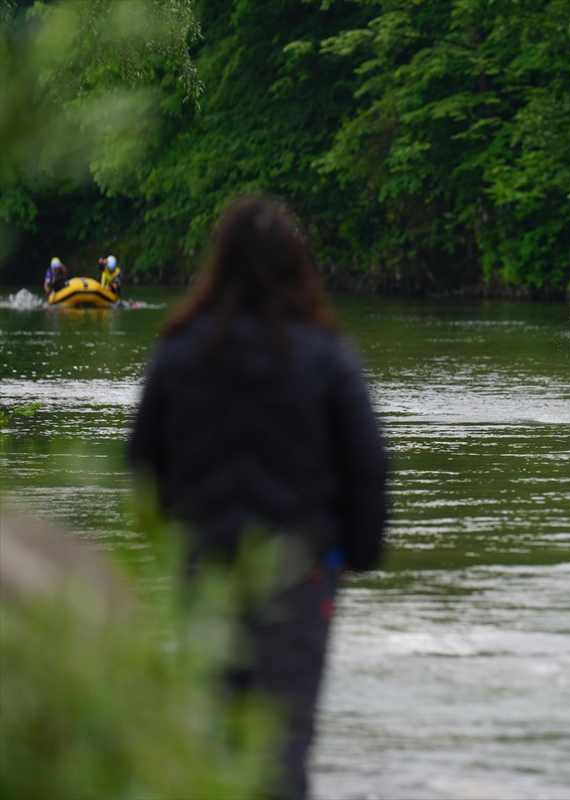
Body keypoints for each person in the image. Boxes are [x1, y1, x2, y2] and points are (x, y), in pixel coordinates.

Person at [127, 196, 388, 800]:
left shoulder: (179, 351)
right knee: (285, 745)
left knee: (213, 737)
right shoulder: (327, 356)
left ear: (216, 263)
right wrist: (356, 555)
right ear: (296, 263)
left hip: (205, 570)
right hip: (300, 576)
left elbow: (141, 464)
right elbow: (368, 468)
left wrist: (174, 544)